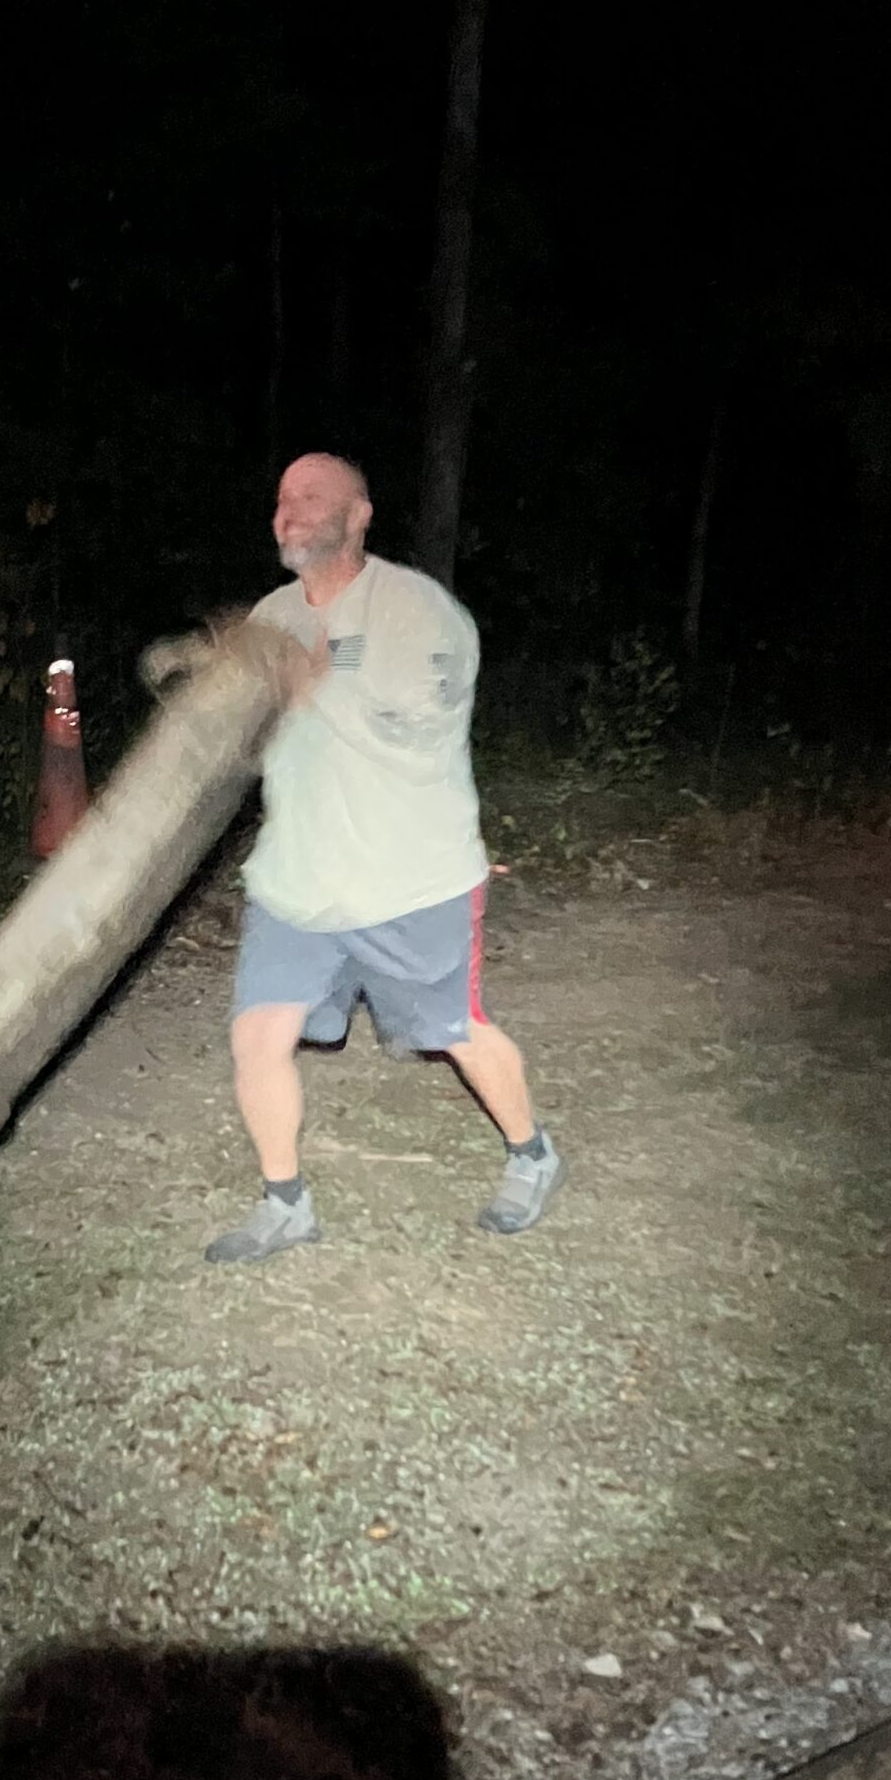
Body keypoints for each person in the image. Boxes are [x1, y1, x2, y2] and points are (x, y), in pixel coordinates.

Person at [206, 452, 561, 1265]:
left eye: (312, 496)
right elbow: (245, 735)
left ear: (359, 515)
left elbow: (424, 721)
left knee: (454, 1030)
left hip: (410, 877)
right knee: (258, 1036)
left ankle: (532, 1154)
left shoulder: (417, 610)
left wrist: (311, 682)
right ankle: (285, 1204)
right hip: (297, 879)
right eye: (283, 498)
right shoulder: (271, 617)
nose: (290, 510)